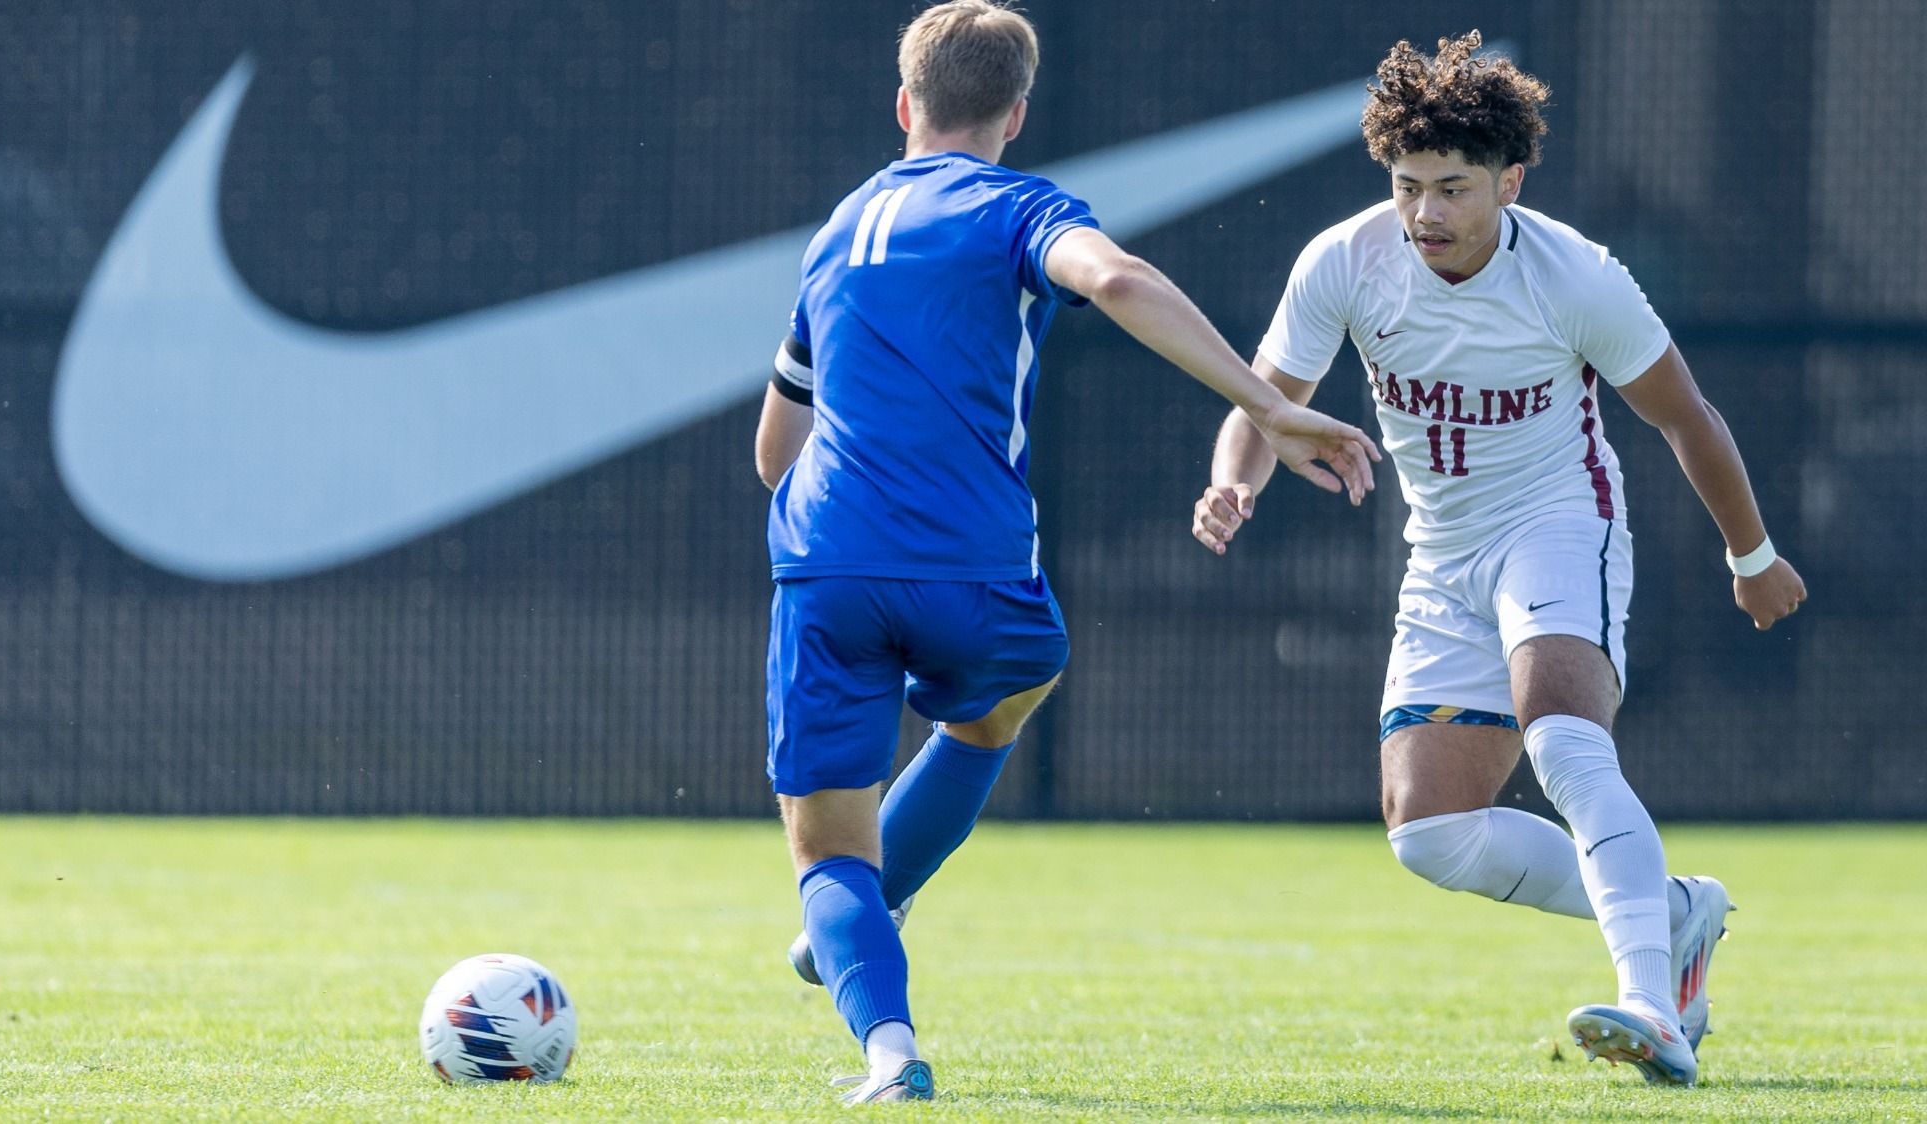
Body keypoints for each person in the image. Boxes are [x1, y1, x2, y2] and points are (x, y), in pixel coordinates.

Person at [754, 0, 1380, 1104]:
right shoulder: (1017, 206)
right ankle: (865, 914)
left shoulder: (835, 230)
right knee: (1009, 690)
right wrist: (1267, 409)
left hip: (827, 561)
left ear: (904, 104)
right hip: (972, 567)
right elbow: (1120, 281)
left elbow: (773, 449)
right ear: (1017, 114)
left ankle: (885, 1038)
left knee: (830, 859)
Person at [1190, 32, 1806, 1087]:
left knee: (1564, 745)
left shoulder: (1574, 276)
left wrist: (1748, 552)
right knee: (1425, 834)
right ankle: (1671, 910)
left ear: (1509, 180)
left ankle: (1653, 1004)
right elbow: (1263, 395)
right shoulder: (1344, 259)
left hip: (1558, 522)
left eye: (1451, 188)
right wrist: (1235, 480)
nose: (1424, 213)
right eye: (1405, 185)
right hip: (1438, 552)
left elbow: (1685, 417)